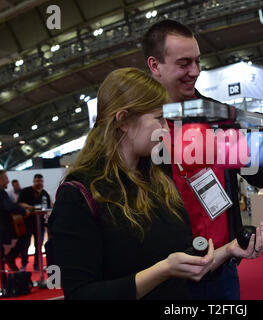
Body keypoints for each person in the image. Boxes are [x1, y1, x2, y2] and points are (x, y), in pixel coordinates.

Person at [142, 19, 263, 299]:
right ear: (155, 66)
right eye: (184, 63)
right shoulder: (141, 127)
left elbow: (258, 171)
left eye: (197, 61)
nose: (194, 71)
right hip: (168, 277)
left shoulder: (219, 116)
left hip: (222, 269)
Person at [48, 68, 225, 300]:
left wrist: (226, 251)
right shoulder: (78, 195)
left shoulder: (158, 176)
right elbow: (81, 294)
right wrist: (164, 270)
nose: (165, 128)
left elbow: (177, 256)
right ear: (123, 120)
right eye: (158, 118)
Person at [17, 174, 51, 271]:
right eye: (37, 181)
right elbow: (20, 203)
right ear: (33, 181)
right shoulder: (25, 191)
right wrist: (31, 207)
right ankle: (24, 264)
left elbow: (48, 207)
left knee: (39, 245)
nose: (39, 183)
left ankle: (37, 265)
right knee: (25, 244)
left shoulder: (45, 193)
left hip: (40, 223)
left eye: (40, 181)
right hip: (27, 222)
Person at [0, 170, 28, 271]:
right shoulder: (1, 192)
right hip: (4, 229)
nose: (8, 181)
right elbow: (8, 206)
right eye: (6, 178)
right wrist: (23, 211)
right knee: (24, 237)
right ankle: (10, 259)